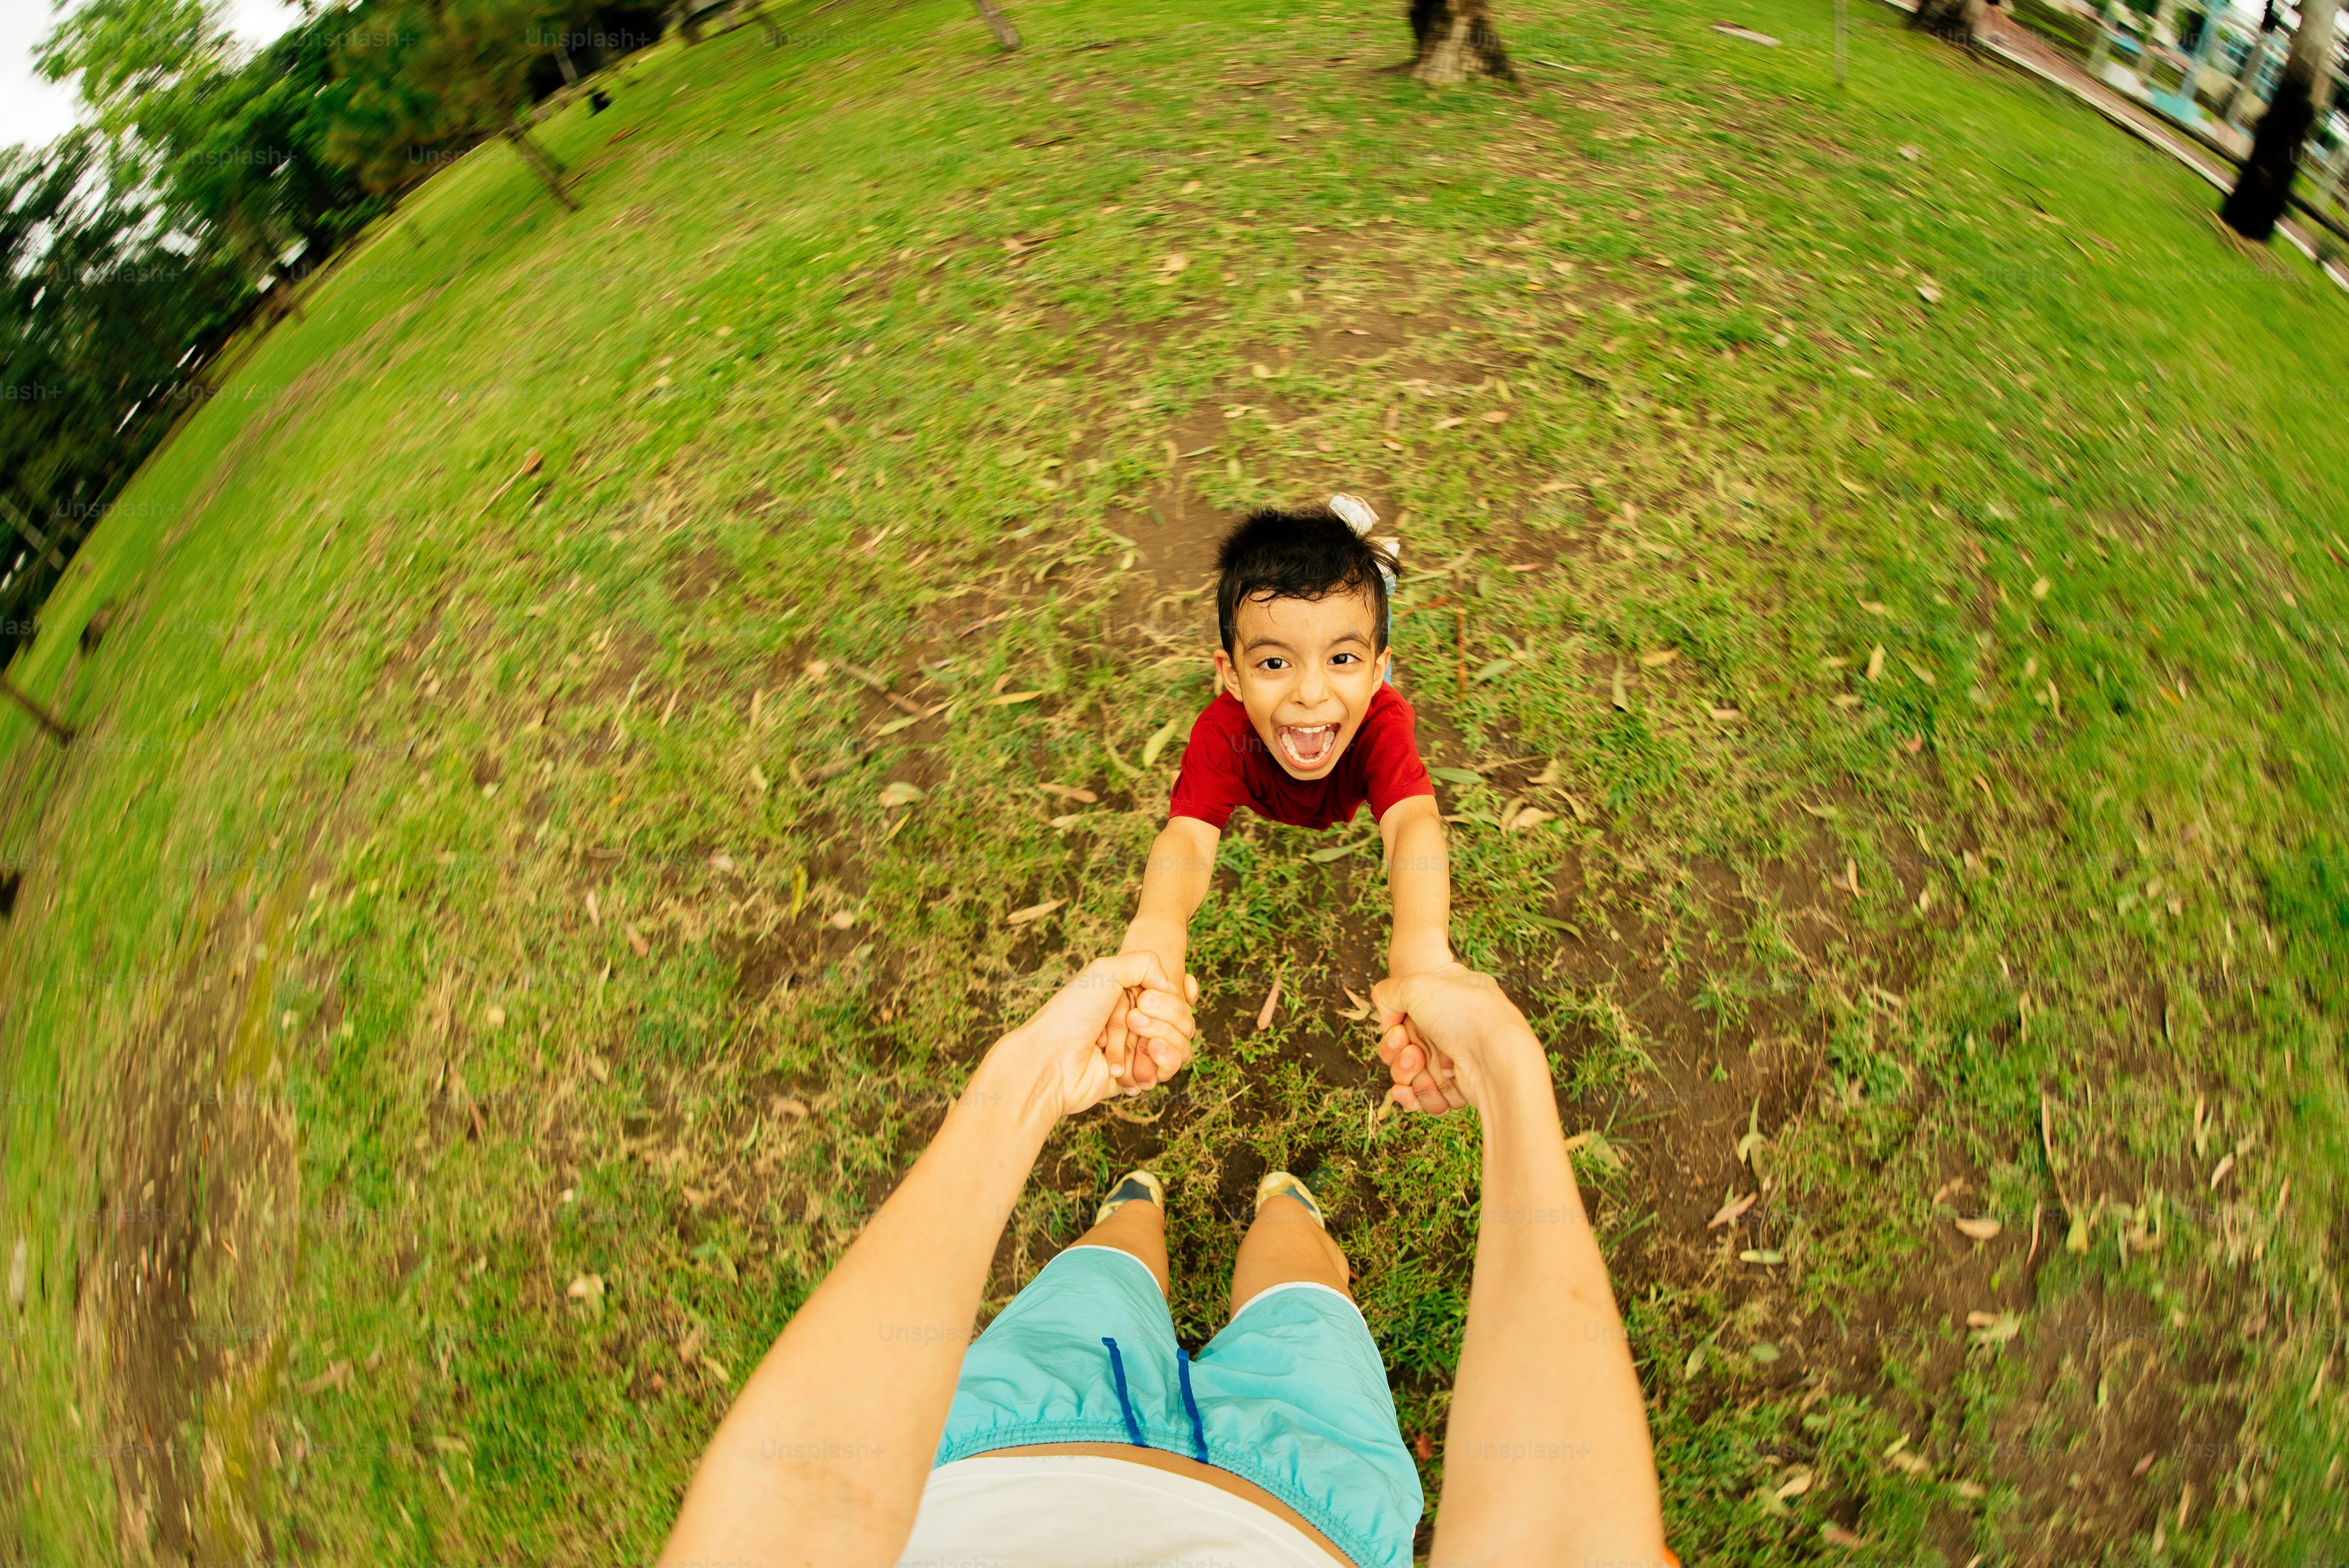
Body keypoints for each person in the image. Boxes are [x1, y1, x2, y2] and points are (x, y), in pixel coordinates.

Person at [657, 953, 1676, 1568]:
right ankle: (1270, 1205)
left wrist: (1030, 1081)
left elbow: (806, 1501)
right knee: (1298, 1295)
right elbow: (1558, 1545)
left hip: (1023, 1435)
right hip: (1306, 1498)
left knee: (1110, 1270)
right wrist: (1503, 1069)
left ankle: (1145, 1208)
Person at [1103, 495, 1450, 1079]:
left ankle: (1364, 616)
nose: (1310, 693)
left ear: (1375, 670)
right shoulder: (1223, 734)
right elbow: (1188, 839)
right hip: (1293, 706)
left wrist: (1422, 950)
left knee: (1362, 682)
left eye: (1342, 659)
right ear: (1231, 676)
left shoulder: (1383, 723)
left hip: (1363, 708)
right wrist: (1156, 929)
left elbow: (1412, 824)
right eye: (1273, 664)